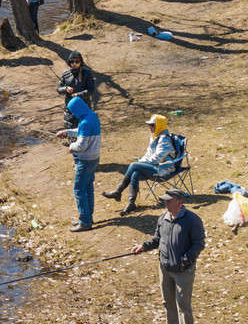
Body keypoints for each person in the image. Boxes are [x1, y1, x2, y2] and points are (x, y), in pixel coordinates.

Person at [132, 189, 206, 324]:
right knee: (168, 301)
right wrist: (142, 247)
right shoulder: (163, 218)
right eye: (165, 200)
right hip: (164, 268)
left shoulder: (192, 220)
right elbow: (158, 240)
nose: (165, 203)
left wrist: (185, 261)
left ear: (179, 202)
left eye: (168, 201)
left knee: (183, 304)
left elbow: (199, 244)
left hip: (183, 271)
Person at [102, 114, 177, 214]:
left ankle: (118, 191)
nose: (150, 127)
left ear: (159, 125)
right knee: (135, 173)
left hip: (163, 169)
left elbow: (158, 158)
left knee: (134, 165)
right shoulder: (155, 136)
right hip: (155, 166)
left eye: (152, 125)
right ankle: (131, 203)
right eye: (149, 125)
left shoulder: (164, 139)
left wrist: (140, 163)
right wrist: (142, 161)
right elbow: (149, 154)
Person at [56, 96, 101, 232]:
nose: (72, 113)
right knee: (88, 188)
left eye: (72, 110)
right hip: (94, 158)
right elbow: (81, 131)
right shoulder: (91, 116)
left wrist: (71, 147)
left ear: (77, 108)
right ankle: (88, 217)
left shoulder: (86, 122)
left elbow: (81, 145)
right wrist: (67, 132)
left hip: (85, 160)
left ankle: (85, 222)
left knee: (79, 189)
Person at [56, 50, 96, 127]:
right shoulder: (65, 74)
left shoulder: (87, 73)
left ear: (81, 62)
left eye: (77, 61)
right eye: (72, 61)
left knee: (84, 134)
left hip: (84, 108)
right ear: (69, 62)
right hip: (69, 110)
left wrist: (78, 95)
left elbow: (91, 90)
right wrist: (65, 88)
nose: (74, 63)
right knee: (70, 134)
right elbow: (58, 89)